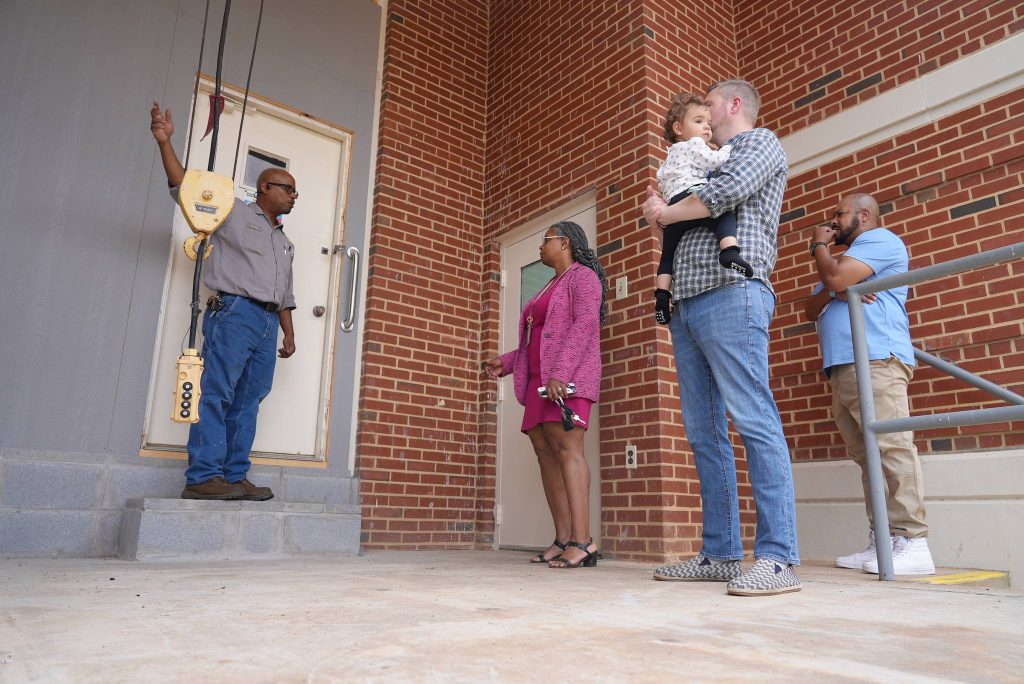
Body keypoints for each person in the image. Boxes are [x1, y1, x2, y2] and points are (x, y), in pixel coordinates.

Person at [641, 79, 800, 596]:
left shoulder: (758, 143)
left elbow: (722, 194)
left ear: (733, 104)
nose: (705, 116)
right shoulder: (699, 156)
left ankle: (778, 558)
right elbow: (681, 219)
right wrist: (662, 217)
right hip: (687, 304)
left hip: (734, 292)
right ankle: (721, 554)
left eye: (709, 105)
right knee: (703, 433)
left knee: (753, 420)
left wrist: (664, 212)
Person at [150, 101, 298, 502]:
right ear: (264, 188)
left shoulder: (285, 243)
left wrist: (288, 333)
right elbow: (184, 187)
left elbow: (285, 294)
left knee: (249, 400)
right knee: (217, 391)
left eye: (295, 191)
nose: (293, 195)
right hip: (234, 313)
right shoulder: (233, 213)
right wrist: (166, 143)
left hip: (267, 325)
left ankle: (234, 476)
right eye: (287, 187)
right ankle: (202, 476)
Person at [804, 193, 934, 575]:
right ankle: (884, 539)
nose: (832, 222)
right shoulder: (845, 260)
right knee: (867, 458)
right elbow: (809, 308)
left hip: (876, 358)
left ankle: (914, 541)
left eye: (839, 215)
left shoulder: (878, 240)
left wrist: (819, 248)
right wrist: (835, 286)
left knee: (892, 447)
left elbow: (833, 277)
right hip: (842, 365)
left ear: (864, 215)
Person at [484, 221, 607, 569]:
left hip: (567, 379)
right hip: (540, 381)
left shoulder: (583, 277)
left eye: (545, 241)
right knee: (546, 455)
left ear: (564, 242)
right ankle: (563, 538)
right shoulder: (548, 286)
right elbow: (536, 339)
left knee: (568, 450)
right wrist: (506, 363)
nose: (541, 247)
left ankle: (583, 542)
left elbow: (584, 326)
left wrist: (560, 375)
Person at [653, 92, 749, 325]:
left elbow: (662, 183)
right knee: (723, 214)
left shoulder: (666, 160)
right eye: (698, 122)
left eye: (707, 123)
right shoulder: (694, 145)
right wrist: (727, 148)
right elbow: (715, 162)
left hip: (674, 205)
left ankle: (662, 297)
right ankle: (729, 251)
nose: (706, 128)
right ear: (678, 128)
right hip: (693, 196)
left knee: (667, 255)